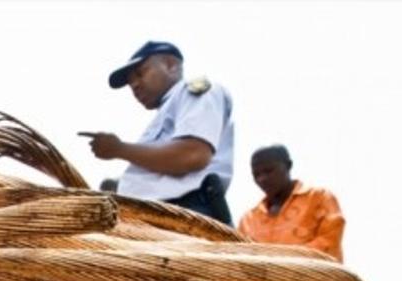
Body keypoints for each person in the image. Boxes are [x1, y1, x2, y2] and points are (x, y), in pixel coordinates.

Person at [81, 40, 235, 224]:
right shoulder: (165, 112)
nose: (135, 85)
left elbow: (193, 154)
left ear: (171, 65)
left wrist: (119, 149)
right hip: (159, 217)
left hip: (185, 214)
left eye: (140, 73)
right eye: (130, 83)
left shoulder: (193, 92)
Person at [237, 144, 346, 262]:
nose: (262, 179)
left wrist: (279, 265)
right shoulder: (248, 220)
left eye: (268, 171)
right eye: (256, 175)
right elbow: (241, 262)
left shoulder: (320, 199)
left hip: (314, 279)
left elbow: (329, 243)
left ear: (288, 166)